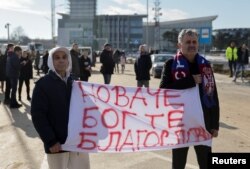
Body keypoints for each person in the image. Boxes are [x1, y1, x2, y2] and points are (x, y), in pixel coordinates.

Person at [159, 29, 220, 169]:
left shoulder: (205, 65)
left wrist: (215, 124)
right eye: (187, 42)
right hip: (180, 125)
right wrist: (190, 81)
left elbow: (213, 95)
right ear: (179, 45)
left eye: (194, 42)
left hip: (203, 124)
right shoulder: (170, 64)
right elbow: (163, 91)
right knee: (178, 165)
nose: (192, 45)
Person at [31, 47, 90, 169]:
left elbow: (86, 108)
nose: (61, 60)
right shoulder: (43, 85)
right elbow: (38, 116)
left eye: (64, 57)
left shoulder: (75, 82)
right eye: (57, 58)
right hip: (57, 146)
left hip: (78, 142)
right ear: (51, 61)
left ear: (69, 60)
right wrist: (51, 141)